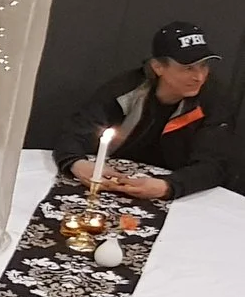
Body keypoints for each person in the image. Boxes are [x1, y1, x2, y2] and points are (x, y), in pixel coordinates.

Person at [53, 20, 240, 200]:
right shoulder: (125, 89)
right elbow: (74, 132)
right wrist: (76, 163)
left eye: (204, 66)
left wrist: (167, 186)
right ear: (157, 67)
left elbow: (214, 165)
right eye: (188, 68)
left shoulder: (214, 100)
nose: (199, 77)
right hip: (109, 182)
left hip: (177, 195)